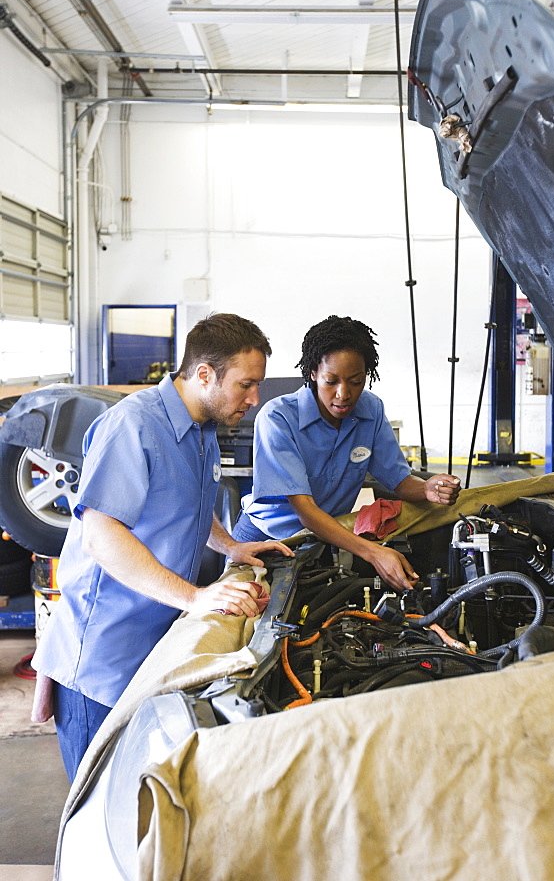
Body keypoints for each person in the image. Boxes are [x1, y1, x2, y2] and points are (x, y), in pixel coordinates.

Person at [32, 313, 292, 782]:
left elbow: (188, 501)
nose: (255, 401)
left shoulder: (203, 430)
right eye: (246, 385)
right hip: (105, 661)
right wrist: (196, 598)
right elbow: (101, 535)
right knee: (101, 813)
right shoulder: (132, 426)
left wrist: (230, 546)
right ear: (205, 375)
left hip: (154, 649)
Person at [232, 315, 460, 591]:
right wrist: (373, 552)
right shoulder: (278, 418)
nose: (343, 394)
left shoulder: (371, 411)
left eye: (355, 381)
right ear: (313, 373)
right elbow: (305, 511)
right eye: (331, 381)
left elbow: (399, 481)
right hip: (263, 539)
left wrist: (427, 489)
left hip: (324, 537)